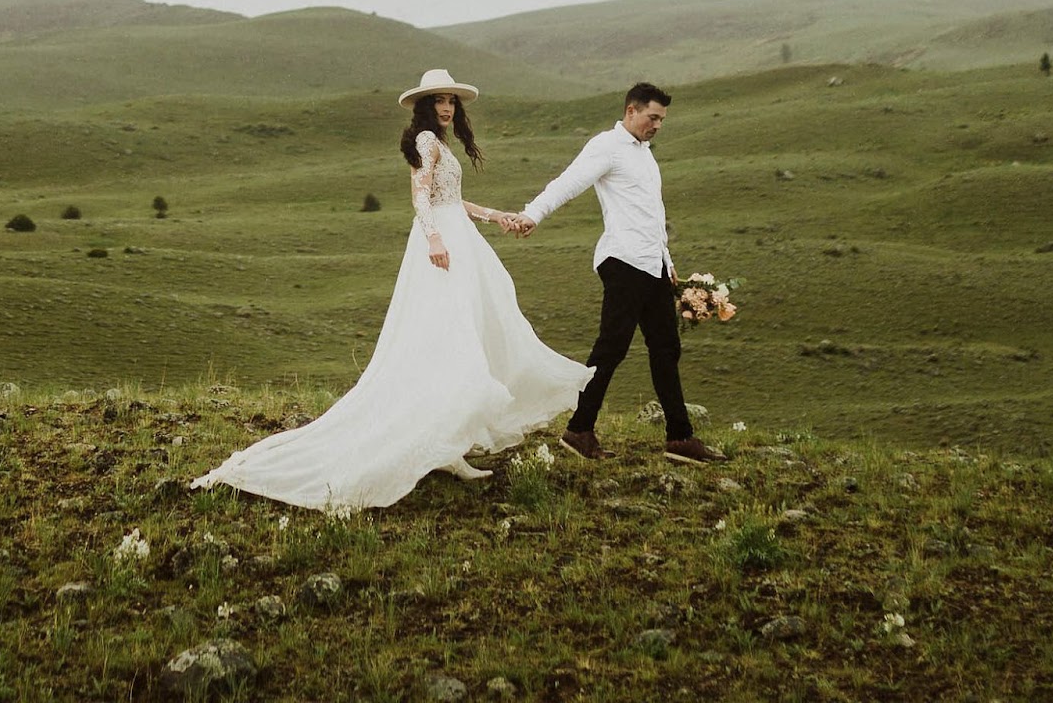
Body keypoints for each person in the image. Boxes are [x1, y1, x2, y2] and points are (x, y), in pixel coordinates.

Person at [191, 68, 593, 510]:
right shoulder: (425, 141)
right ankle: (444, 444)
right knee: (450, 336)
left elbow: (450, 200)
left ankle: (449, 445)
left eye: (451, 101)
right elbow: (421, 199)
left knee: (462, 334)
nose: (446, 107)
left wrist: (494, 215)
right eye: (439, 100)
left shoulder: (441, 144)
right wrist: (434, 239)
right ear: (424, 105)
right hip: (442, 246)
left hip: (459, 237)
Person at [507, 81, 724, 465]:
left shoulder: (644, 154)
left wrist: (668, 264)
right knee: (612, 347)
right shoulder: (607, 146)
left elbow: (650, 215)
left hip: (651, 266)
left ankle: (679, 438)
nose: (657, 125)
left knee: (666, 348)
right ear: (631, 111)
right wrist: (532, 213)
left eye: (661, 120)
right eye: (652, 117)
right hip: (623, 262)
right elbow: (568, 182)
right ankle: (579, 430)